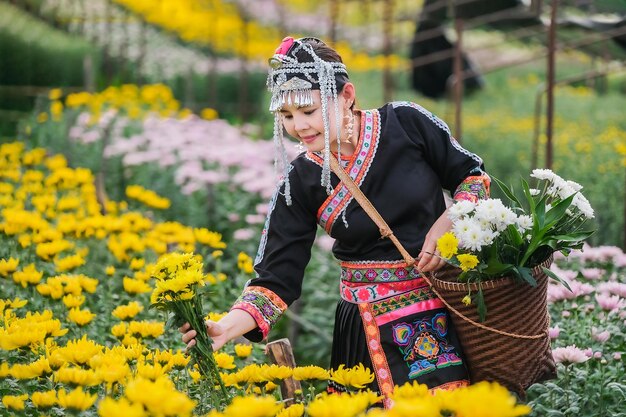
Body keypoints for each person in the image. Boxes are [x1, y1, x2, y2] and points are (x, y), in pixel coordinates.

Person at [181, 36, 490, 407]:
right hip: (363, 327)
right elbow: (276, 278)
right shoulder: (301, 181)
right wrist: (224, 328)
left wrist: (448, 226)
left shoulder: (407, 123)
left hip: (439, 310)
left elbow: (473, 178)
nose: (299, 126)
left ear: (346, 96)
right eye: (287, 116)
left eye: (308, 111)